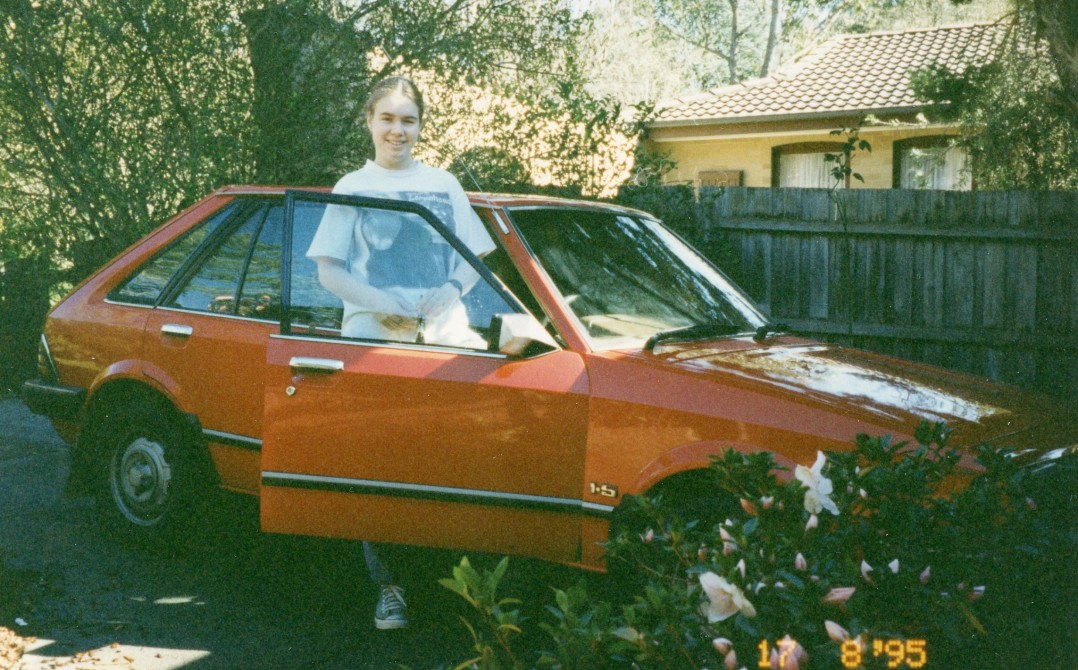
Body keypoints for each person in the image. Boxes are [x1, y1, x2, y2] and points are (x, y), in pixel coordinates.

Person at [305, 75, 496, 630]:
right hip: (374, 345)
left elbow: (473, 257)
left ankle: (462, 588)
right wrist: (381, 303)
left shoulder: (444, 183)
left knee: (448, 461)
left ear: (420, 127)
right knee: (381, 467)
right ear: (369, 121)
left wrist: (452, 292)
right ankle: (390, 587)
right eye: (387, 118)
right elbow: (328, 271)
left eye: (408, 120)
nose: (398, 130)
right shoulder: (351, 185)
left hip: (445, 342)